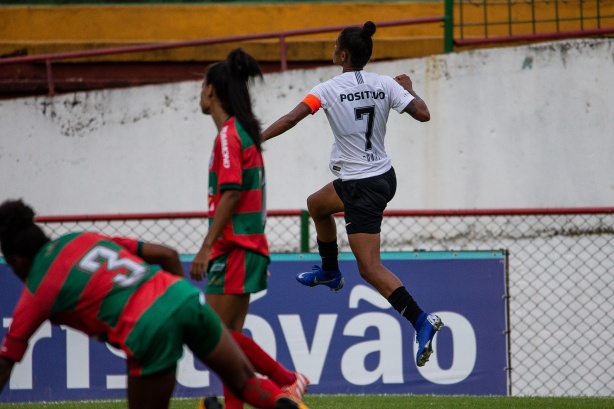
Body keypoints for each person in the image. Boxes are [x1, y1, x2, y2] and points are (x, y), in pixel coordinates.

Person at [0, 199, 306, 409]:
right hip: (181, 297)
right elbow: (168, 255)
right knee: (245, 382)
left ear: (16, 260)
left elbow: (6, 362)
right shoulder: (81, 238)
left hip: (146, 328)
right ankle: (283, 403)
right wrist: (177, 311)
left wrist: (165, 325)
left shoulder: (37, 290)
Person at [261, 21, 443, 367]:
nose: (332, 50)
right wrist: (410, 88)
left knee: (370, 268)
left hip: (362, 185)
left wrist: (257, 139)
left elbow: (291, 119)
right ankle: (330, 270)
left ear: (343, 54)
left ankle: (421, 321)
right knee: (317, 204)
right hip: (381, 175)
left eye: (334, 46)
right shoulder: (386, 84)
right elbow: (423, 113)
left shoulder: (327, 89)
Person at [190, 48, 308, 409]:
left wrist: (207, 246)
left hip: (233, 248)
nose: (199, 93)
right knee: (230, 342)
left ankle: (288, 381)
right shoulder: (242, 132)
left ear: (212, 90)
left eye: (201, 85)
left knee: (214, 338)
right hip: (247, 246)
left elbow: (230, 194)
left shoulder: (228, 136)